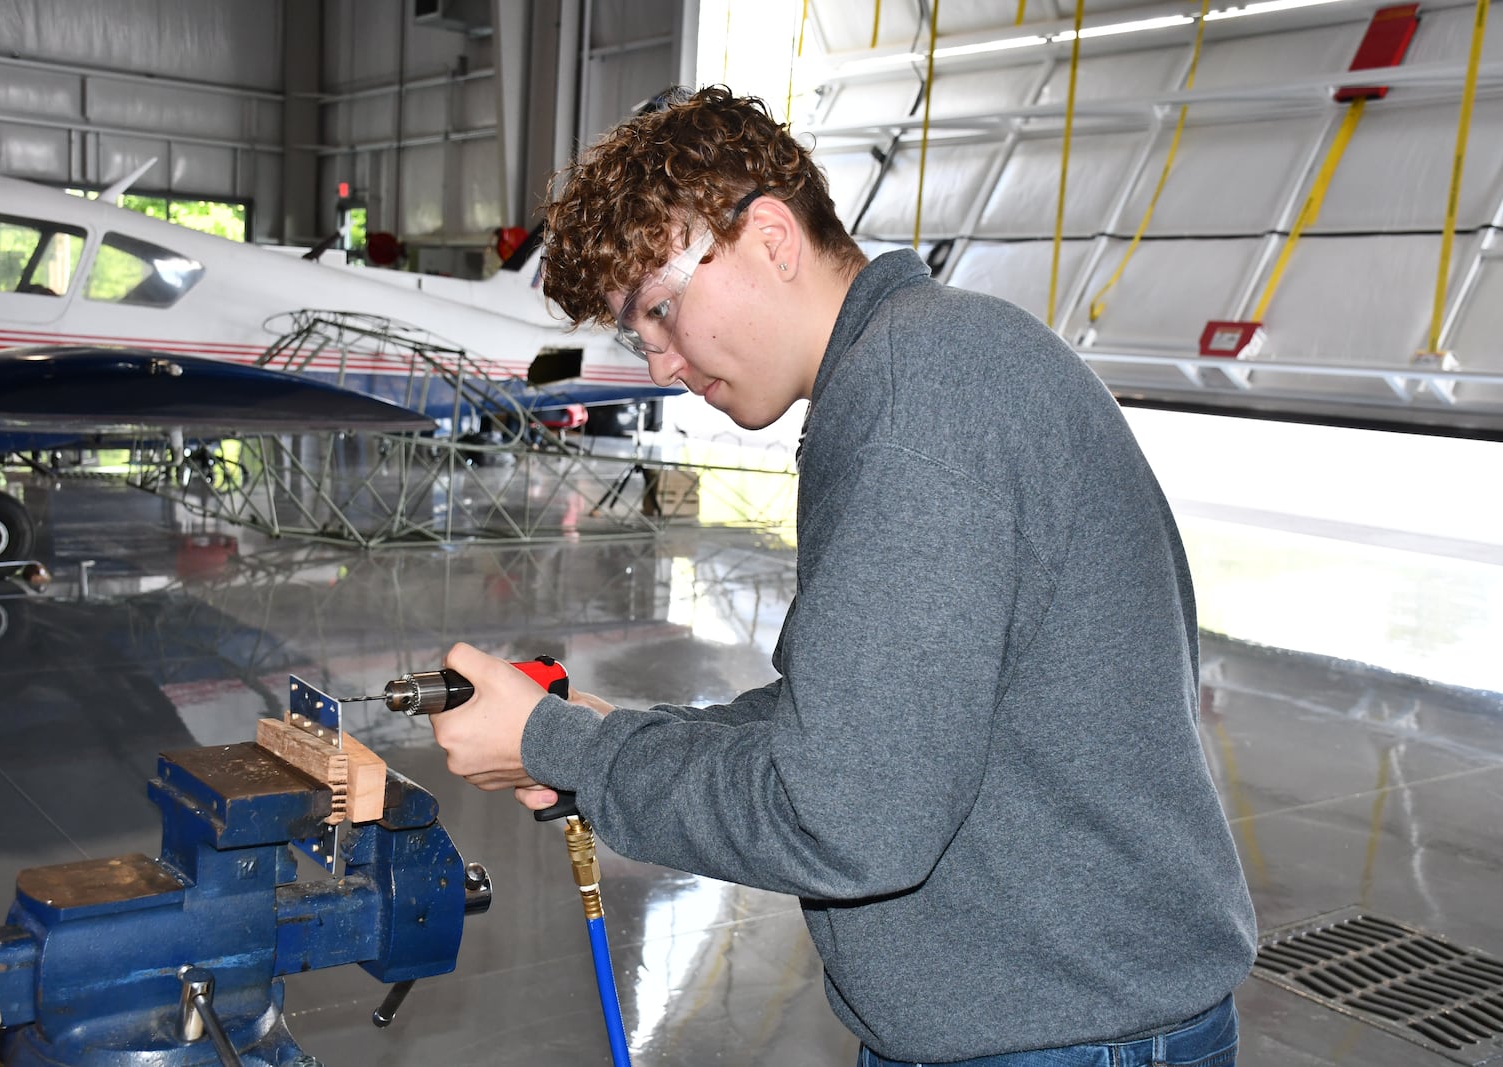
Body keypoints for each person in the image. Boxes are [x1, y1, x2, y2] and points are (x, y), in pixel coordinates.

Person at [430, 86, 1258, 1066]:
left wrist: (575, 750)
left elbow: (847, 814)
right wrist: (597, 738)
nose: (658, 363)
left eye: (659, 309)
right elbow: (862, 722)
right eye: (635, 333)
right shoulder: (926, 361)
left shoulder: (919, 393)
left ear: (771, 238)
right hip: (1049, 1018)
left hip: (1056, 1035)